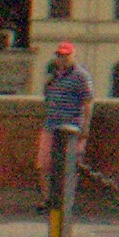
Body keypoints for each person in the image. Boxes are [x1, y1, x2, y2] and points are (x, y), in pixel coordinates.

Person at [38, 43, 94, 197]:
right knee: (44, 165)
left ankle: (65, 200)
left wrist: (85, 127)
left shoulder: (81, 76)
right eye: (59, 56)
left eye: (66, 56)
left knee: (69, 167)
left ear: (73, 56)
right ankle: (47, 199)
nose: (62, 59)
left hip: (72, 129)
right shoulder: (53, 76)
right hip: (51, 126)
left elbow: (88, 102)